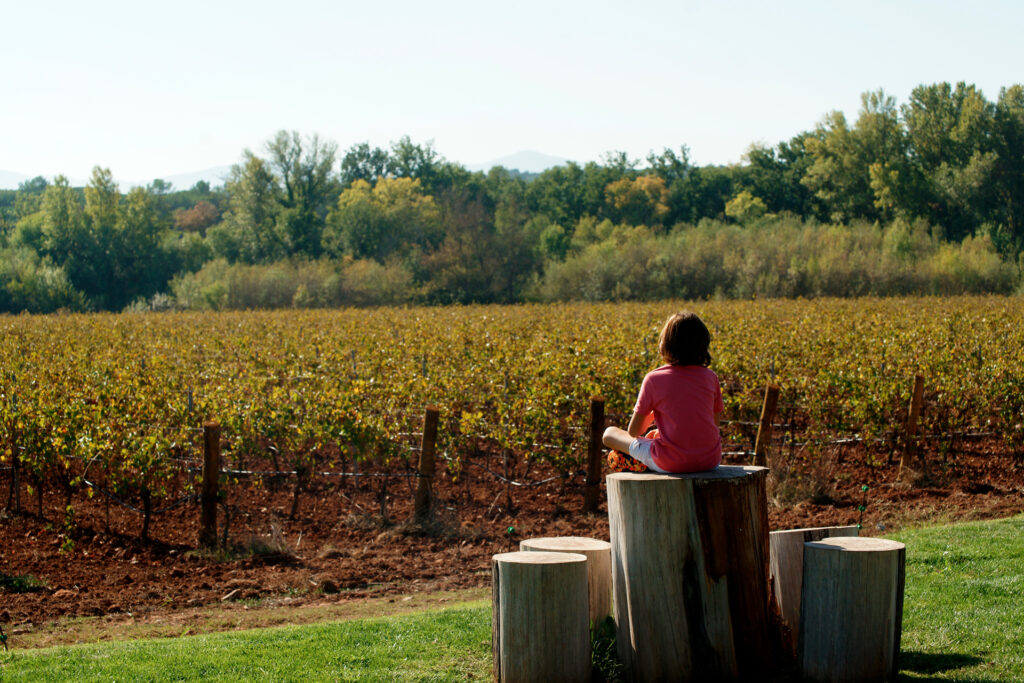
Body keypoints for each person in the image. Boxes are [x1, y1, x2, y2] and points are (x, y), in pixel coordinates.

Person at [603, 311, 723, 473]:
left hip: (670, 463)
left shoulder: (654, 379)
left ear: (666, 344)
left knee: (609, 434)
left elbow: (634, 432)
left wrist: (654, 412)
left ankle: (636, 460)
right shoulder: (711, 377)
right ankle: (642, 456)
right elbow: (713, 425)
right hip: (711, 460)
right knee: (655, 436)